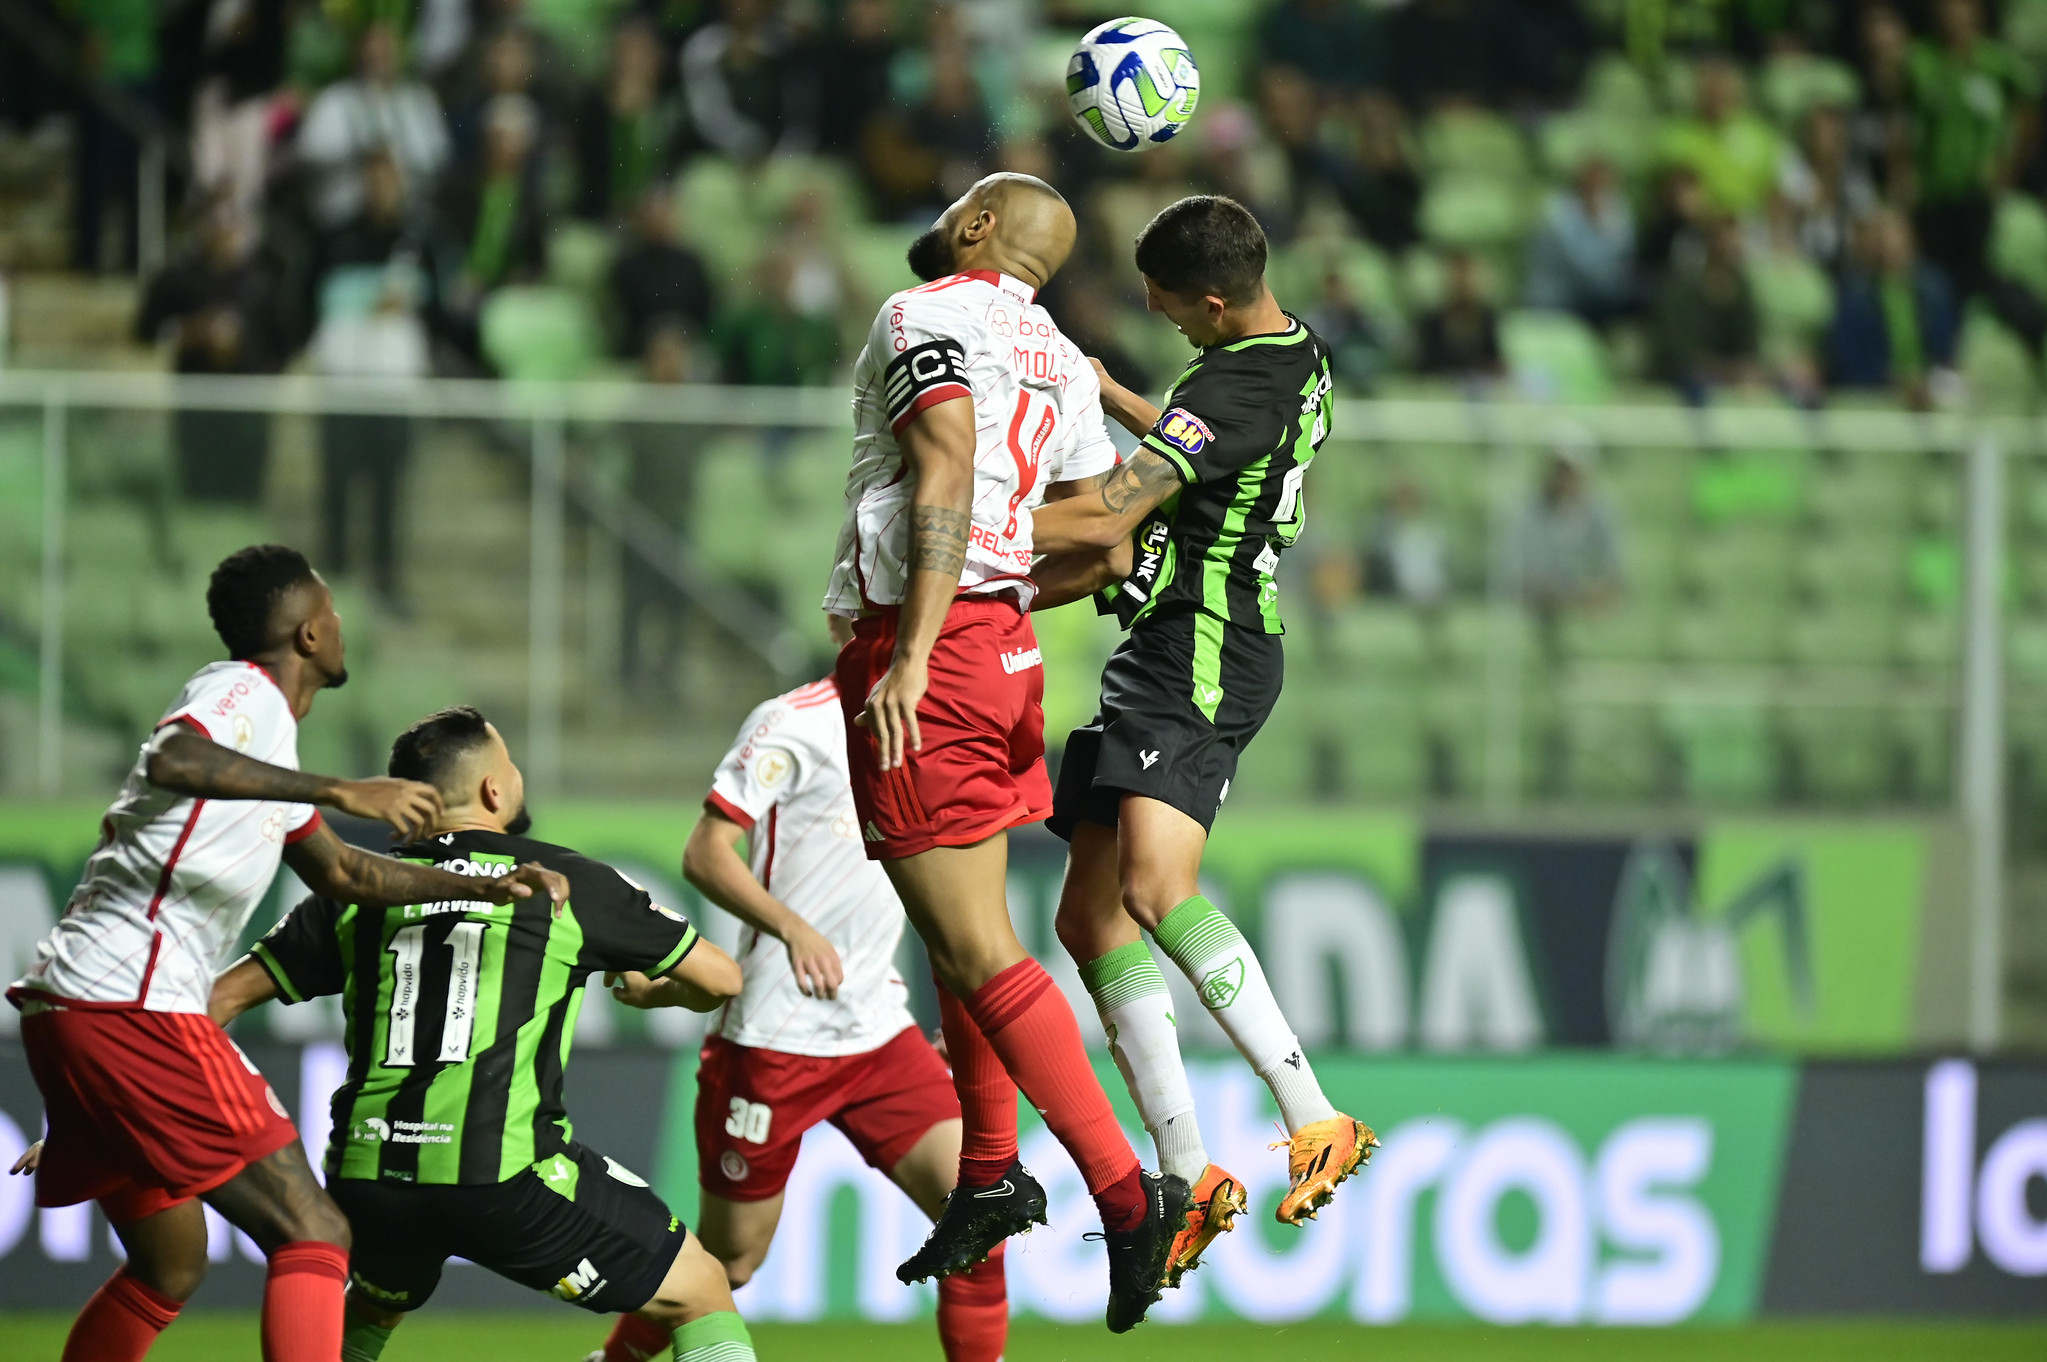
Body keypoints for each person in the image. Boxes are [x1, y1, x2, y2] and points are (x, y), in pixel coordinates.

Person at [5, 545, 566, 1362]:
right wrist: (340, 789)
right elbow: (175, 757)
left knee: (170, 1265)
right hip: (131, 1003)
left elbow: (345, 872)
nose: (341, 626)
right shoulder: (243, 695)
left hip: (78, 1009)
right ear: (309, 634)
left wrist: (480, 889)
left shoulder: (265, 763)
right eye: (332, 611)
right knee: (313, 1230)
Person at [824, 172, 1188, 1332]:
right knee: (960, 939)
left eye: (961, 203)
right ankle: (989, 1168)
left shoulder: (918, 313)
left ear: (979, 229)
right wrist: (997, 601)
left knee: (981, 951)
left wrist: (918, 649)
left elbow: (940, 469)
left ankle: (1130, 1201)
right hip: (1011, 649)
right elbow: (1104, 540)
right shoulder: (1057, 354)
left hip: (928, 641)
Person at [1028, 194, 1374, 1287]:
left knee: (1156, 891)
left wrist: (952, 531)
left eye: (1170, 306)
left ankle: (1315, 1115)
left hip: (1203, 644)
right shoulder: (1292, 352)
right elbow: (1198, 447)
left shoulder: (1231, 384)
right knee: (1084, 915)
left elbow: (1104, 520)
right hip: (1163, 642)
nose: (1162, 317)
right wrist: (1116, 394)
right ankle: (1186, 1172)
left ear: (1214, 301)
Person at [208, 705, 749, 1362]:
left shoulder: (349, 890)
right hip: (502, 1180)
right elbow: (721, 979)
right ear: (496, 789)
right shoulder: (565, 881)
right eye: (511, 764)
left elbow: (217, 1000)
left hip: (368, 1178)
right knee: (701, 1291)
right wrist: (654, 991)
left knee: (376, 1305)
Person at [588, 628, 1008, 1362]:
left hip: (880, 1034)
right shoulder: (794, 723)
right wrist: (793, 929)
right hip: (774, 1040)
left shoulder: (933, 730)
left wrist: (959, 1016)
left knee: (979, 1224)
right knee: (732, 1262)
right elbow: (704, 850)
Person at [135, 197, 286, 503]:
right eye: (215, 222)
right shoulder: (177, 277)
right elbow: (145, 332)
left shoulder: (263, 279)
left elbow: (284, 342)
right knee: (198, 493)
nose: (223, 231)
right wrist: (190, 333)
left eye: (231, 222)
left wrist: (244, 351)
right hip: (196, 403)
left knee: (243, 498)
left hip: (248, 408)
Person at [296, 21, 451, 230]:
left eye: (384, 53)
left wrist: (393, 160)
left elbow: (437, 156)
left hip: (408, 215)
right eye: (370, 54)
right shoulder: (334, 98)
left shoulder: (418, 99)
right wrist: (364, 154)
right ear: (358, 55)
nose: (377, 60)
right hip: (344, 213)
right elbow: (310, 152)